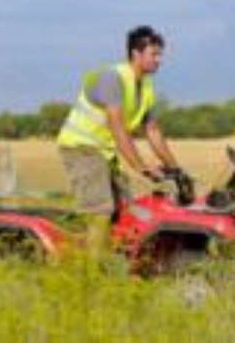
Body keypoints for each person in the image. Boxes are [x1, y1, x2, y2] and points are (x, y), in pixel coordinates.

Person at [57, 25, 182, 219]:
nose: (159, 60)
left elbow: (153, 131)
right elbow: (118, 129)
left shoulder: (146, 86)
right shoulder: (113, 79)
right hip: (81, 147)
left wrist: (175, 169)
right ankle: (96, 251)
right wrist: (141, 167)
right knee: (100, 210)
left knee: (126, 210)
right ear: (136, 53)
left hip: (104, 152)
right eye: (154, 54)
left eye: (160, 55)